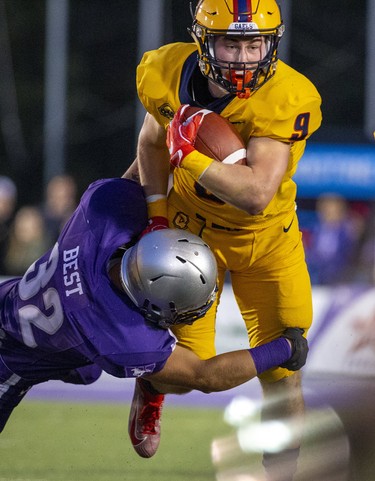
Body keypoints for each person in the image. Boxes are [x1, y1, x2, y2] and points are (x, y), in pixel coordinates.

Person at [123, 0, 322, 478]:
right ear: (203, 39)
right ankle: (153, 389)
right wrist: (152, 213)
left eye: (255, 43)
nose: (245, 57)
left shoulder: (288, 95)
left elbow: (255, 194)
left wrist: (186, 152)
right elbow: (151, 143)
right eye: (233, 42)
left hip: (269, 238)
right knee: (187, 366)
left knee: (283, 372)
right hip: (195, 234)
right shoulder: (165, 70)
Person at [0, 177, 308, 459]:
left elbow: (134, 177)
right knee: (92, 365)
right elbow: (205, 376)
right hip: (10, 361)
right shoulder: (122, 338)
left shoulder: (103, 207)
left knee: (88, 368)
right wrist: (286, 349)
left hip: (13, 301)